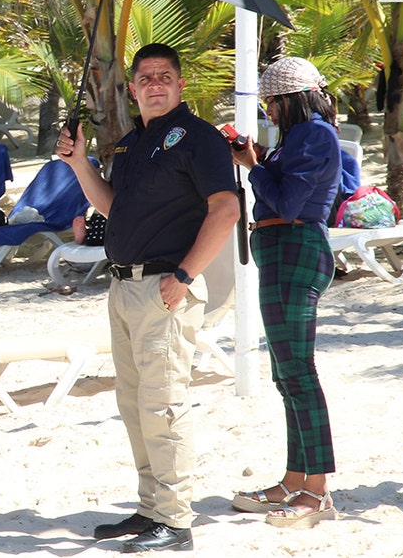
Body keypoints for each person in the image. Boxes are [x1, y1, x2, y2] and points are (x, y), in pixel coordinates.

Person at [56, 43, 239, 552]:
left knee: (164, 407)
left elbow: (225, 209)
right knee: (135, 405)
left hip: (165, 288)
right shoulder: (132, 142)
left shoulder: (198, 138)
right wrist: (77, 163)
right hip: (123, 286)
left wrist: (184, 275)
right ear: (132, 89)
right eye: (145, 78)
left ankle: (176, 520)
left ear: (180, 85)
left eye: (164, 76)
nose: (155, 84)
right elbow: (112, 207)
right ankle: (151, 508)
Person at [228, 56, 340, 529]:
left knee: (298, 373)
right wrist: (256, 160)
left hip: (295, 247)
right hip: (283, 249)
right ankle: (296, 478)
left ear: (291, 99)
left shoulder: (313, 134)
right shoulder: (300, 137)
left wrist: (253, 165)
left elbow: (288, 202)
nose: (268, 110)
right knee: (286, 374)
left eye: (272, 102)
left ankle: (316, 492)